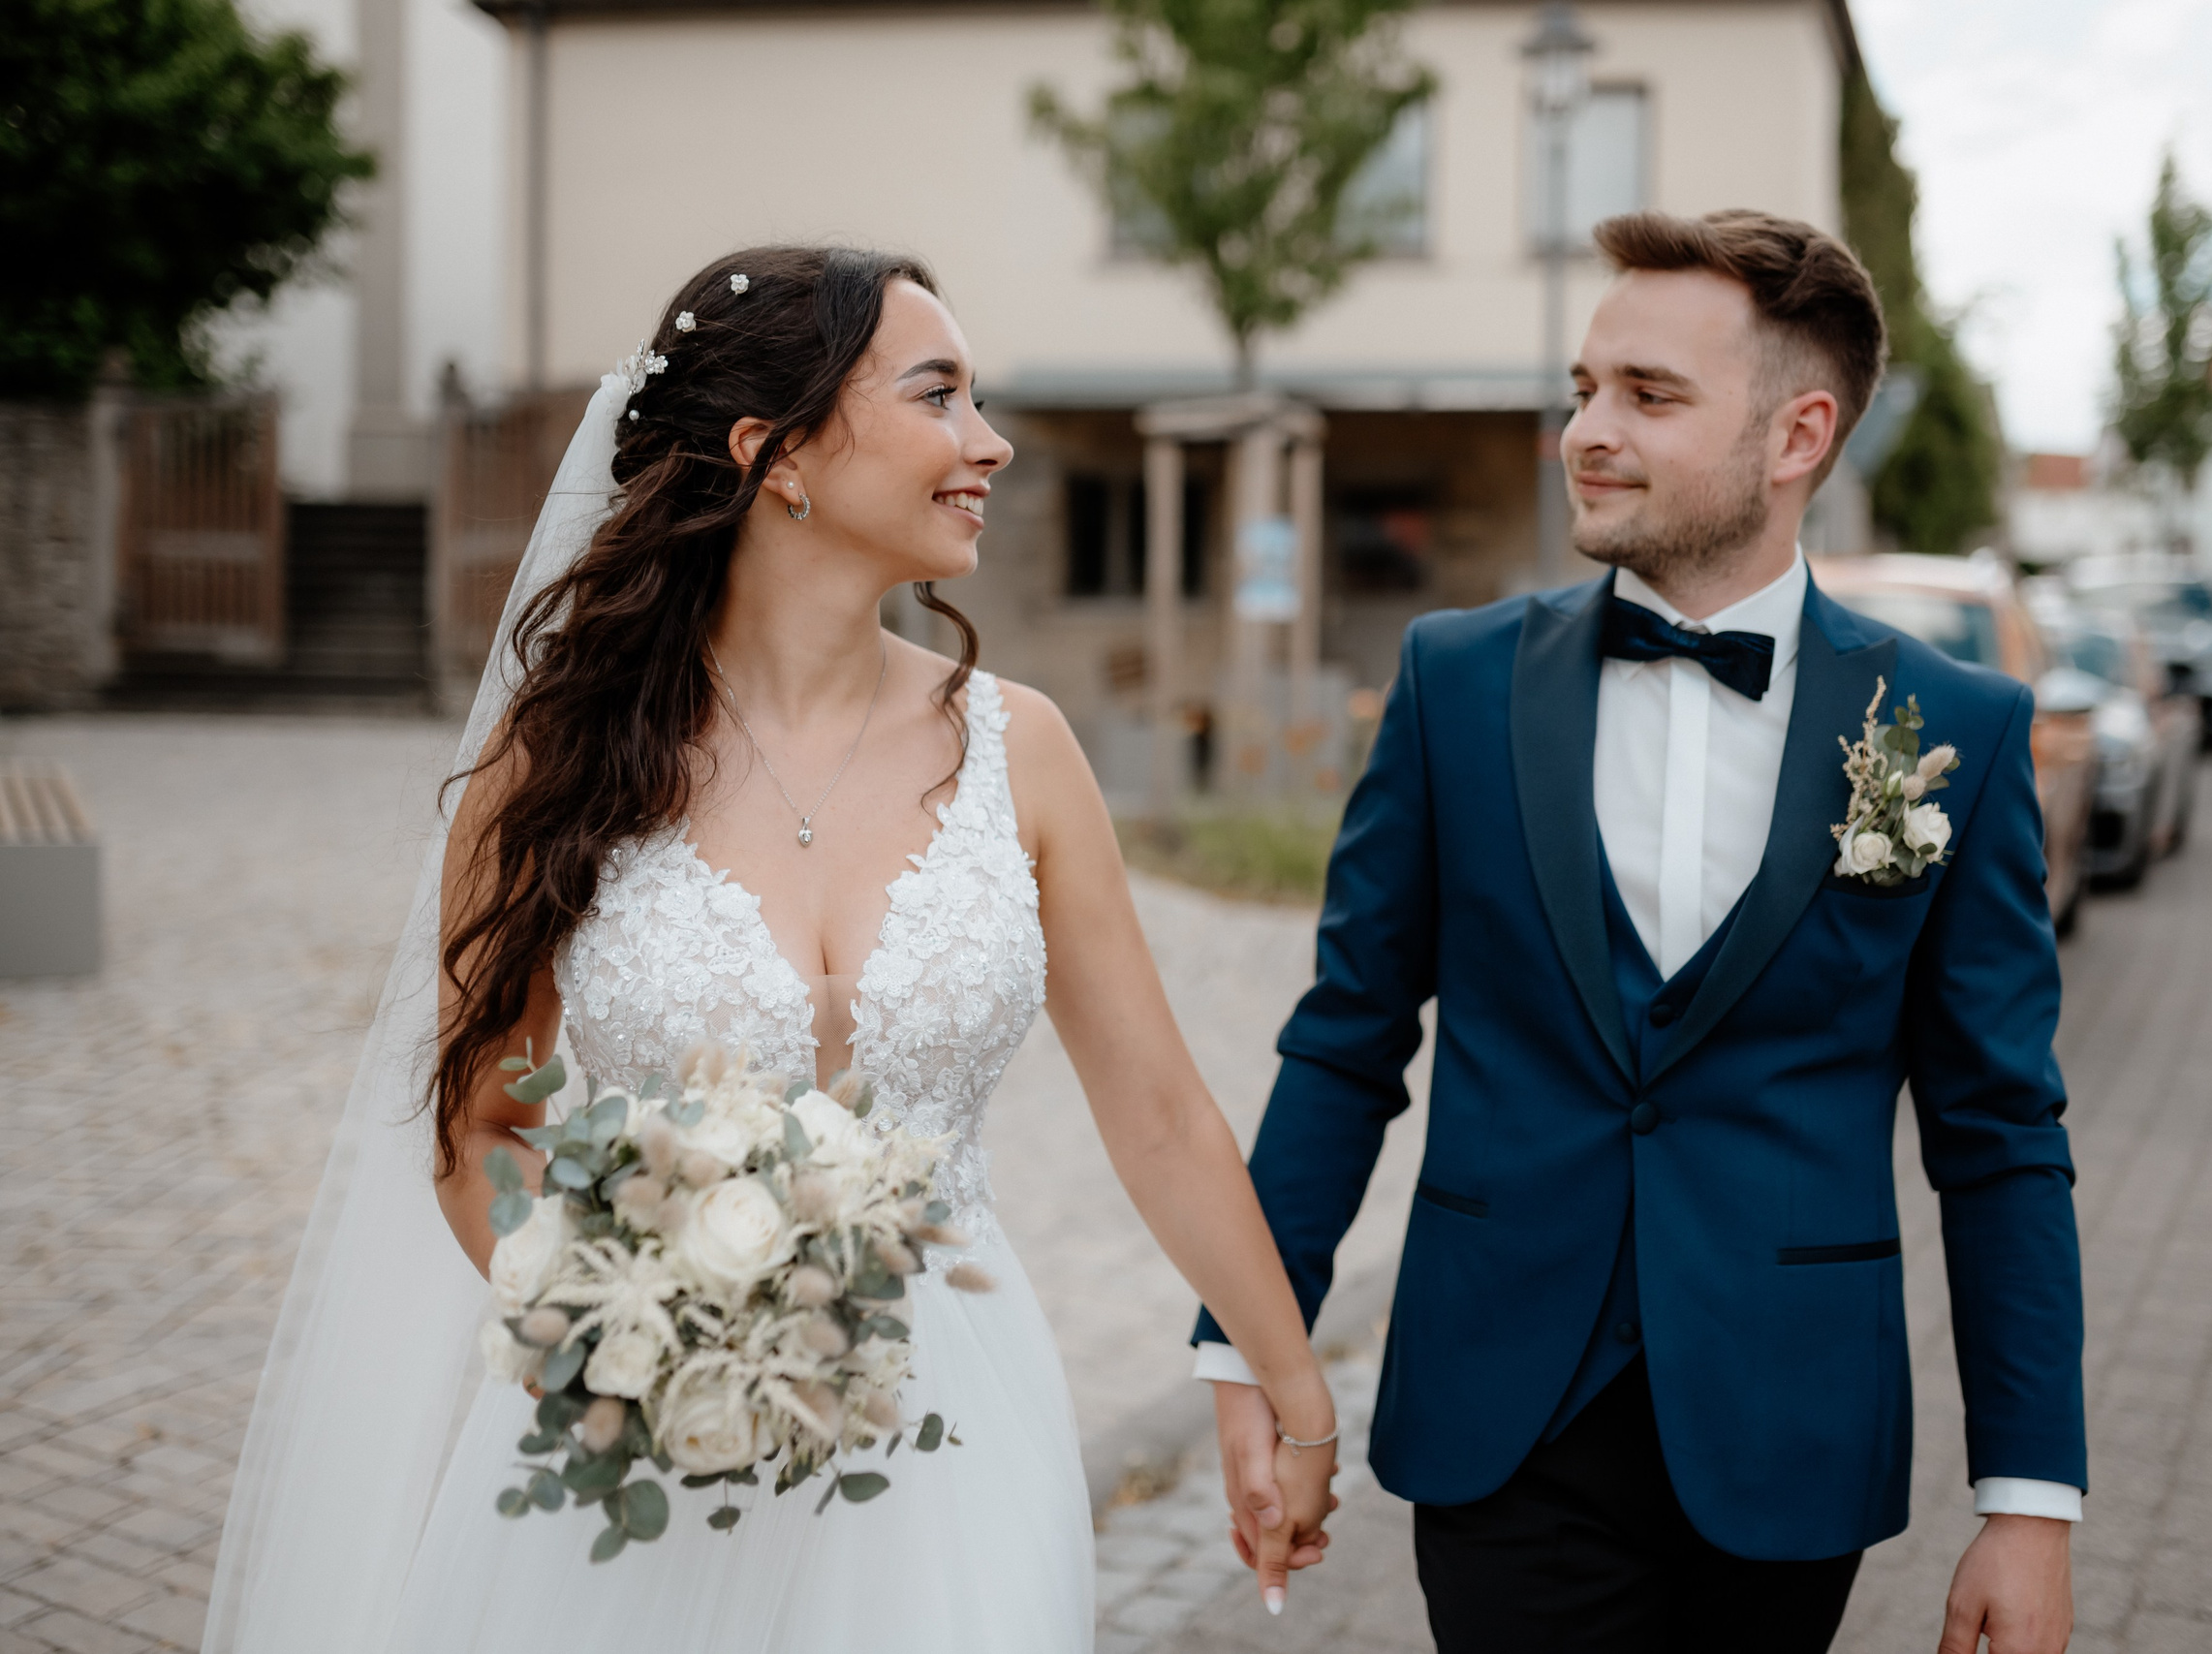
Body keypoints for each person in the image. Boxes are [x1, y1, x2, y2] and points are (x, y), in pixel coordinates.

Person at [203, 246, 1337, 1654]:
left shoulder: (1022, 749)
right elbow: (481, 1124)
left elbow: (1160, 1114)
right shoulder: (559, 760)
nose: (989, 443)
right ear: (774, 452)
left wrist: (1294, 1394)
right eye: (938, 395)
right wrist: (628, 1340)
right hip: (635, 1441)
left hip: (952, 1435)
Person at [1194, 209, 2085, 1654]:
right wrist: (1247, 1353)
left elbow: (1999, 1134)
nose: (1588, 433)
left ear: (1797, 434)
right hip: (1502, 1413)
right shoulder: (1455, 683)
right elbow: (1347, 1043)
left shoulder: (1949, 731)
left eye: (1649, 396)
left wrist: (2030, 1500)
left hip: (1788, 1423)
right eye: (1584, 389)